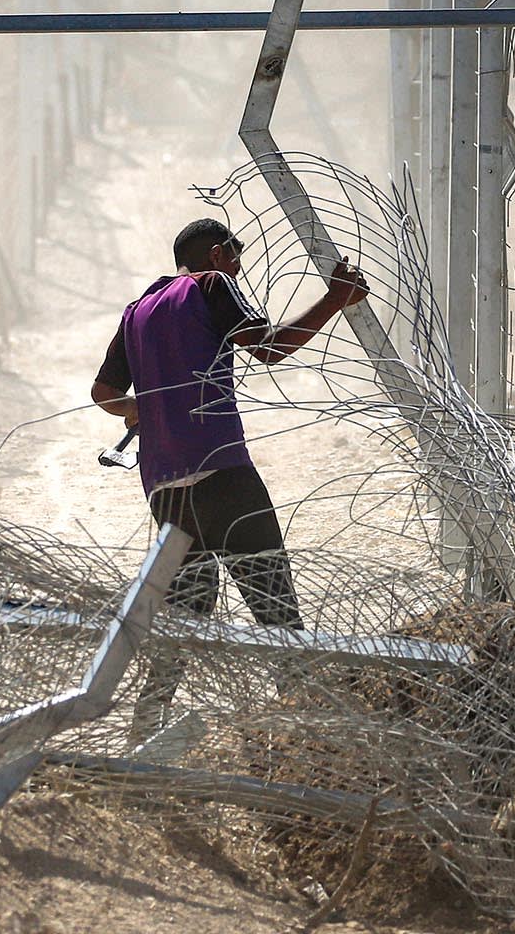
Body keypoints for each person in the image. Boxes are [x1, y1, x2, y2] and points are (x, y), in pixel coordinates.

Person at [90, 218, 368, 738]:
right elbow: (269, 347)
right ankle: (315, 734)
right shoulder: (211, 286)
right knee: (276, 610)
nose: (238, 274)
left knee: (182, 622)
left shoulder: (136, 314)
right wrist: (337, 298)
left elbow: (102, 391)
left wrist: (142, 411)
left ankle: (144, 732)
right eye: (236, 262)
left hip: (167, 491)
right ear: (218, 255)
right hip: (223, 476)